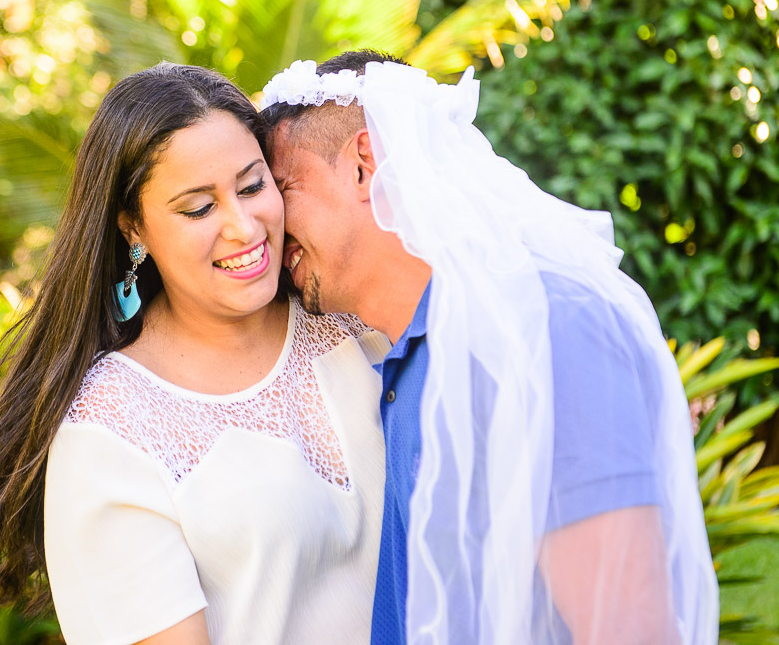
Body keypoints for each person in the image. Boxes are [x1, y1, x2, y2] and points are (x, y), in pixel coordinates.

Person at [260, 51, 719, 645]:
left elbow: (628, 627)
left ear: (363, 166)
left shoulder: (549, 330)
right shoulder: (398, 361)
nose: (265, 222)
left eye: (283, 186)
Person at [0, 63, 390, 645]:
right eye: (198, 208)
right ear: (134, 229)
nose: (243, 227)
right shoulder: (110, 434)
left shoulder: (351, 321)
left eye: (254, 186)